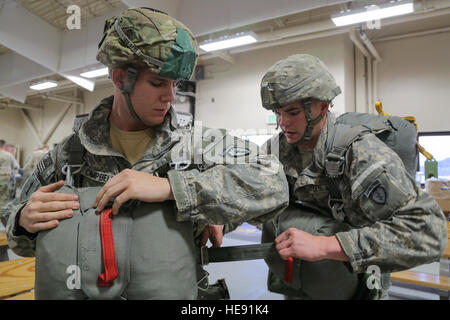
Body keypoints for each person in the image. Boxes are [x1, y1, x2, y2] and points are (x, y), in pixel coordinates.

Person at [5, 8, 289, 299]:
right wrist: (23, 221)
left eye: (175, 84)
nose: (170, 96)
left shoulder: (196, 143)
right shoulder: (69, 154)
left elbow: (273, 182)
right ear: (120, 78)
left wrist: (177, 190)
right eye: (157, 83)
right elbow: (16, 233)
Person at [259, 54, 448, 299]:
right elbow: (249, 188)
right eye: (278, 113)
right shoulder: (279, 149)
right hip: (305, 282)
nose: (282, 123)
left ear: (322, 106)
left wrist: (325, 245)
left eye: (292, 112)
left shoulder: (361, 153)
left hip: (357, 286)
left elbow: (429, 234)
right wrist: (223, 219)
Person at [0, 140, 18, 227]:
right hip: (5, 178)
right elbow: (16, 166)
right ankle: (2, 218)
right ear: (4, 146)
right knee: (3, 199)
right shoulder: (8, 155)